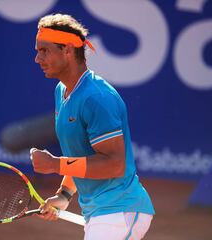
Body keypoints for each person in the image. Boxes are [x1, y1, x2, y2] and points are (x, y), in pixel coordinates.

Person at [30, 14, 155, 240]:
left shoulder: (97, 98)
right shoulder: (62, 91)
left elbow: (115, 164)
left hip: (119, 211)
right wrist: (64, 194)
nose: (37, 58)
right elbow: (81, 155)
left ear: (67, 50)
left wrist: (54, 164)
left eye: (44, 50)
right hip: (99, 213)